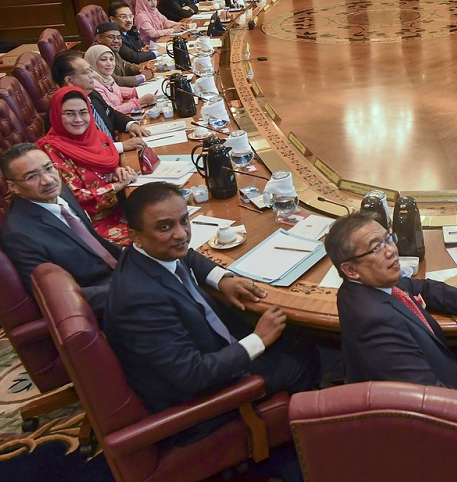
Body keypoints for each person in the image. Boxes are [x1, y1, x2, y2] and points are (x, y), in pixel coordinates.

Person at [103, 182, 320, 446]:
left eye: (184, 221)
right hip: (196, 400)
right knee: (304, 356)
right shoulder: (140, 301)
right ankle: (305, 442)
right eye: (165, 227)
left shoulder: (149, 252)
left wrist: (221, 278)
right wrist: (258, 341)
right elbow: (192, 375)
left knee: (292, 334)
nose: (181, 234)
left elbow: (189, 257)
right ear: (135, 235)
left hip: (207, 350)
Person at [325, 213, 457, 425]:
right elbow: (425, 395)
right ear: (351, 269)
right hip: (425, 423)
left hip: (433, 373)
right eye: (376, 248)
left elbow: (424, 288)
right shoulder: (373, 321)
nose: (391, 250)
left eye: (388, 238)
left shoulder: (365, 284)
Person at [0, 143, 124, 313]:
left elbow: (95, 242)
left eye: (48, 168)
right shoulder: (19, 235)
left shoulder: (61, 191)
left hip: (117, 272)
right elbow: (56, 297)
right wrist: (130, 290)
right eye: (32, 177)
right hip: (104, 301)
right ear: (13, 187)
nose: (48, 180)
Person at [35, 87, 137, 244]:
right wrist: (117, 186)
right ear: (56, 114)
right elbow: (73, 198)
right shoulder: (51, 150)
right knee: (155, 238)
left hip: (122, 206)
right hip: (91, 226)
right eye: (70, 113)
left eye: (83, 112)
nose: (78, 119)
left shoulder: (95, 135)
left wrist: (117, 170)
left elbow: (106, 163)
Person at [51, 50, 149, 149]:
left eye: (91, 70)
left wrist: (130, 125)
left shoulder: (92, 93)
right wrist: (121, 146)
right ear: (69, 81)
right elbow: (80, 149)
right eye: (87, 72)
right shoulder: (62, 112)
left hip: (113, 149)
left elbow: (111, 114)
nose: (93, 75)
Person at [85, 44, 154, 115]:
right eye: (104, 59)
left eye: (111, 59)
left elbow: (118, 90)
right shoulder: (93, 84)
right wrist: (140, 102)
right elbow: (111, 112)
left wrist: (138, 91)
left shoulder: (106, 77)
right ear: (92, 62)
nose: (109, 63)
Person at [92, 23, 153, 87]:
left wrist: (140, 69)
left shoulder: (110, 49)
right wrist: (142, 77)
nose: (116, 41)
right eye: (111, 37)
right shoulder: (96, 54)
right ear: (98, 38)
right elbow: (114, 81)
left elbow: (125, 65)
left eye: (119, 37)